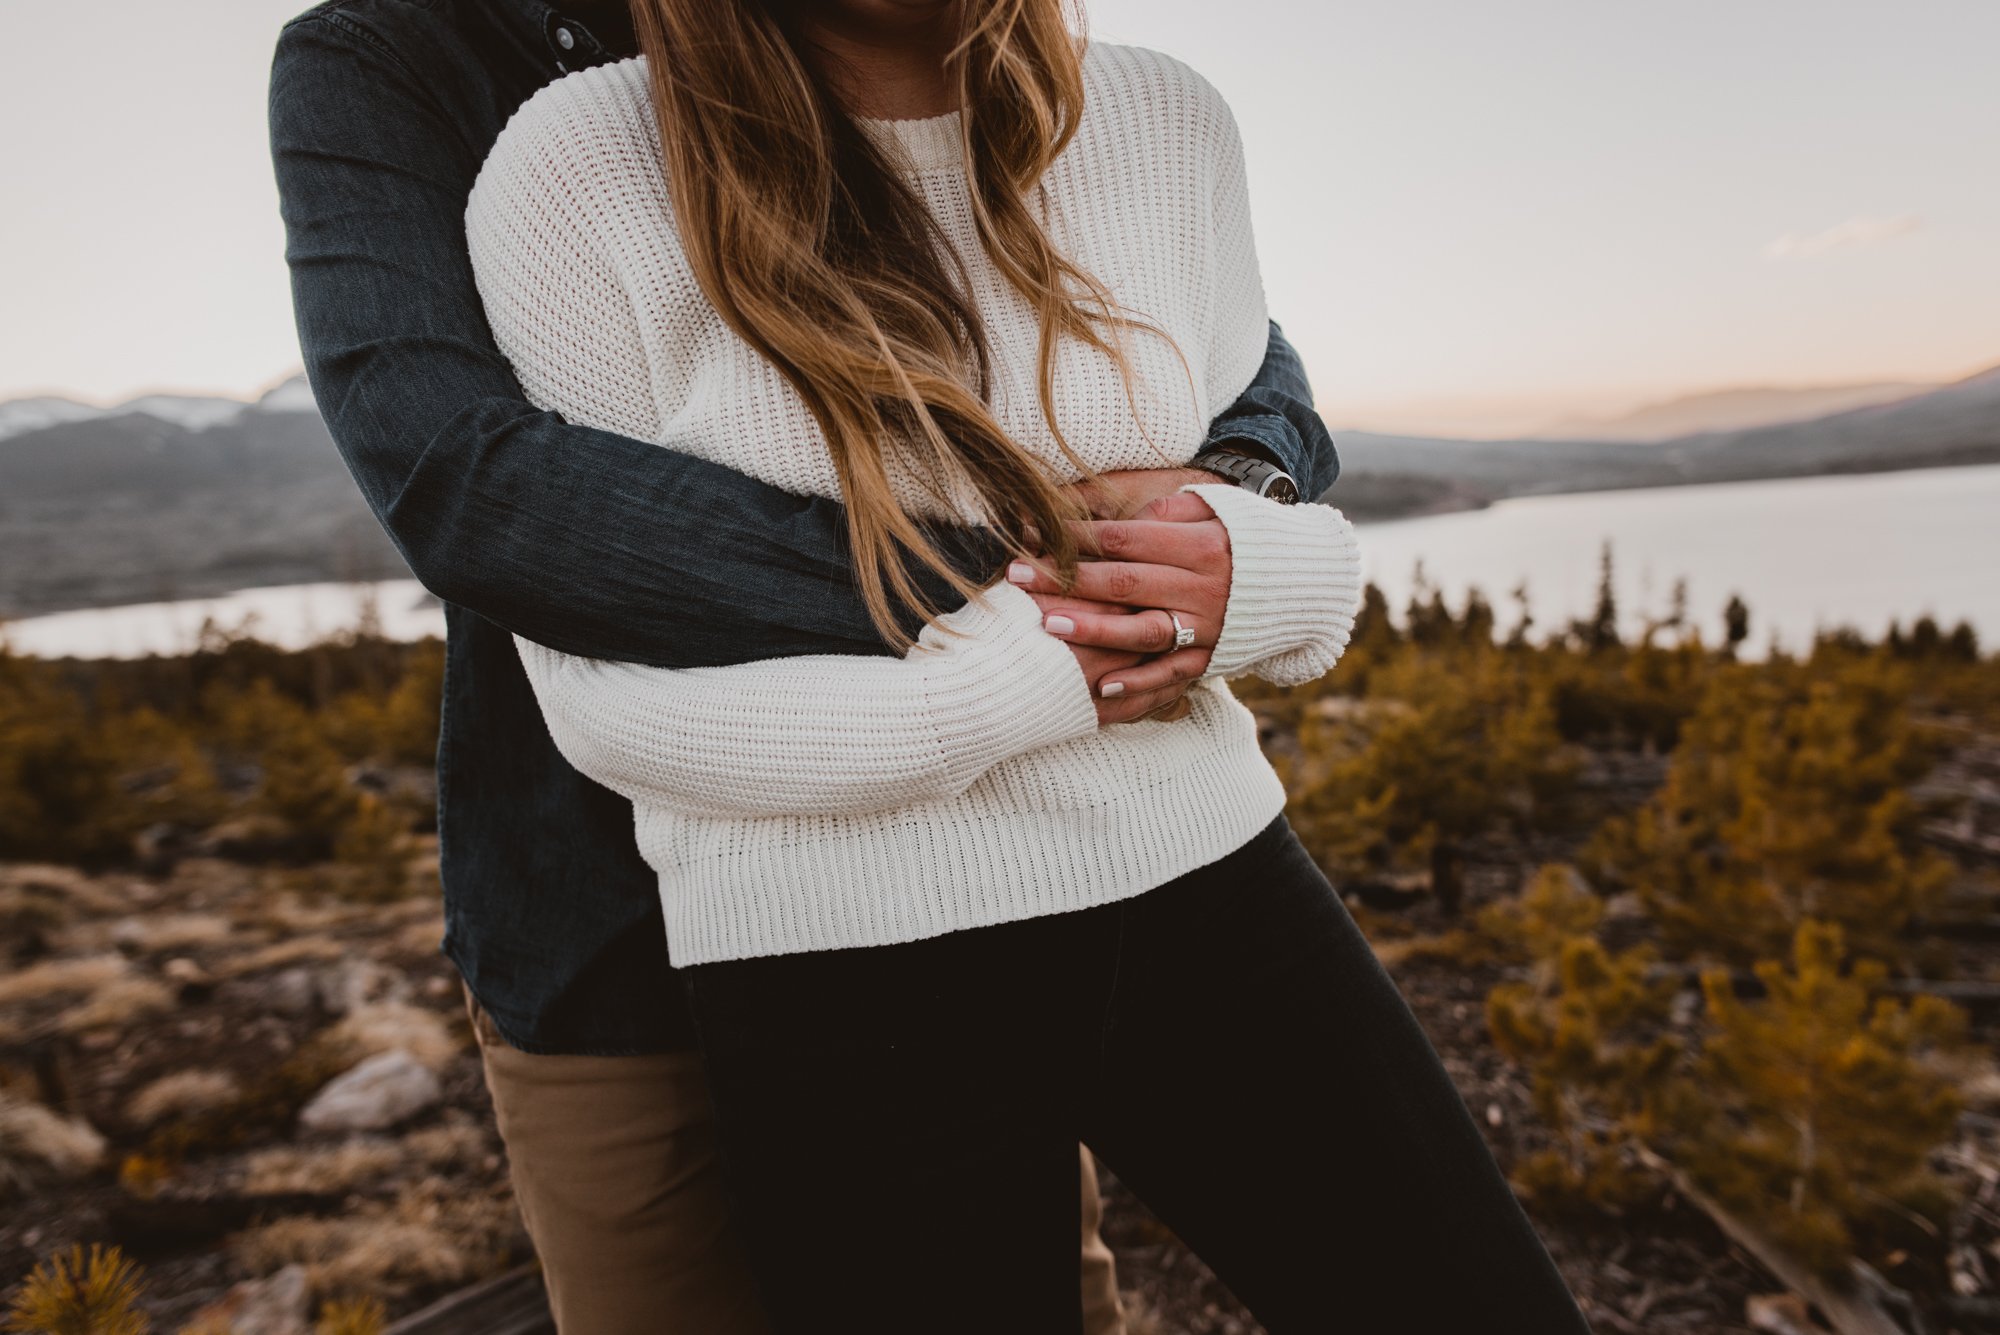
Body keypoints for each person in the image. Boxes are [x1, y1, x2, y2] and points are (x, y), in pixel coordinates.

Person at [462, 1, 1595, 1332]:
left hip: (1209, 873)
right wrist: (1022, 684)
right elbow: (606, 700)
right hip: (836, 960)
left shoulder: (1166, 120)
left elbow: (1237, 481)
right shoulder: (578, 166)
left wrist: (1263, 577)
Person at [268, 0, 1340, 1330]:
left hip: (982, 860)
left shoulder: (925, 37)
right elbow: (468, 485)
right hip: (602, 901)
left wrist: (1235, 494)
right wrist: (1020, 581)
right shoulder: (398, 59)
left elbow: (1228, 343)